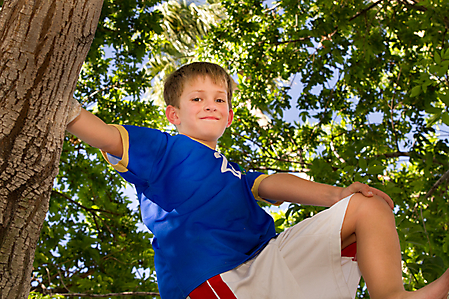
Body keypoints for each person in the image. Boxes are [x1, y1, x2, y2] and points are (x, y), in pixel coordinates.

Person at [67, 62, 449, 299]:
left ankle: (393, 296)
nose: (210, 105)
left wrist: (337, 194)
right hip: (213, 282)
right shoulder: (164, 149)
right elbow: (103, 134)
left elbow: (271, 184)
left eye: (219, 99)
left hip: (267, 269)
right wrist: (64, 110)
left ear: (230, 116)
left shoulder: (233, 174)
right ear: (173, 114)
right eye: (197, 99)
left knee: (368, 206)